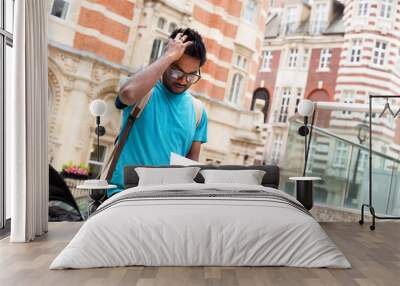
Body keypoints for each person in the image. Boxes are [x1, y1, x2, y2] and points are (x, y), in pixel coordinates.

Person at [107, 28, 208, 197]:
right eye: (177, 71)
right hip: (123, 195)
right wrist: (168, 55)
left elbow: (191, 167)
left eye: (191, 75)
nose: (183, 80)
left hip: (164, 202)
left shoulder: (198, 111)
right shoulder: (144, 90)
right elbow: (127, 94)